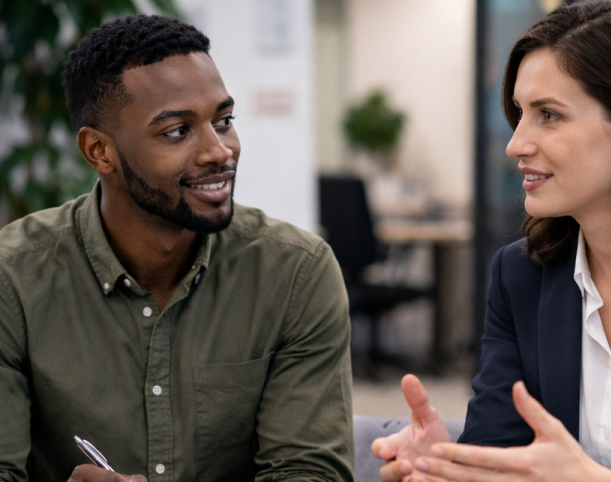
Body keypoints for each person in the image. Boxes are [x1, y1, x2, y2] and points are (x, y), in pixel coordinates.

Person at [372, 1, 611, 481]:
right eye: (520, 113)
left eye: (549, 115)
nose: (516, 144)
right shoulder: (519, 276)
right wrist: (454, 465)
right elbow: (503, 456)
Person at [0, 15, 353, 482]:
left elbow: (309, 473)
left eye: (223, 121)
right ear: (99, 152)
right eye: (177, 132)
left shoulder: (295, 274)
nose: (219, 151)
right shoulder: (13, 280)